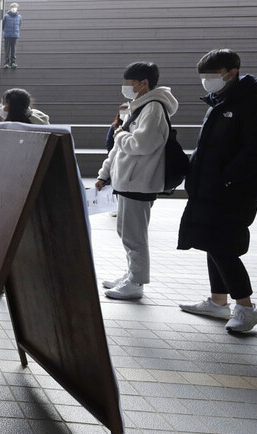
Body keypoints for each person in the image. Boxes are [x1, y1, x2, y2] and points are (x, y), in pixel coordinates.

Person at [177, 49, 257, 333]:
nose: (207, 81)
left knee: (222, 246)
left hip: (232, 192)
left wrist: (228, 178)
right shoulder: (222, 101)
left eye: (212, 75)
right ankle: (217, 301)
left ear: (231, 72)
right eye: (204, 76)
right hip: (213, 187)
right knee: (211, 241)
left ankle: (246, 307)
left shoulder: (251, 104)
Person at [95, 62, 178, 301]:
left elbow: (140, 145)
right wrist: (104, 174)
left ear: (144, 83)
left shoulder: (153, 108)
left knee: (134, 235)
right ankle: (131, 274)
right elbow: (118, 151)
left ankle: (137, 282)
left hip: (139, 181)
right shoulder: (138, 107)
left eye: (129, 83)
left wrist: (120, 133)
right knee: (125, 231)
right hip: (127, 181)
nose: (126, 88)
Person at [2, 3, 22, 69]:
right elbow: (3, 25)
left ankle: (13, 62)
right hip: (7, 35)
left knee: (13, 50)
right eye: (13, 7)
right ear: (10, 8)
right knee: (7, 50)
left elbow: (19, 25)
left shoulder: (19, 16)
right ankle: (6, 63)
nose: (14, 8)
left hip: (15, 35)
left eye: (15, 7)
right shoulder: (6, 16)